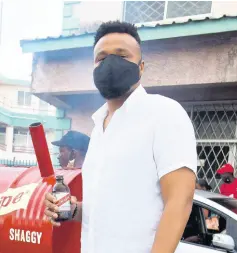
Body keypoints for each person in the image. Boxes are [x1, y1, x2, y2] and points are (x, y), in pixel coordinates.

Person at [44, 21, 197, 253]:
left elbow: (180, 201)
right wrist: (70, 210)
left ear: (141, 67)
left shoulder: (163, 113)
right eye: (101, 58)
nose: (110, 63)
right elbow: (103, 211)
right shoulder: (98, 129)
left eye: (122, 55)